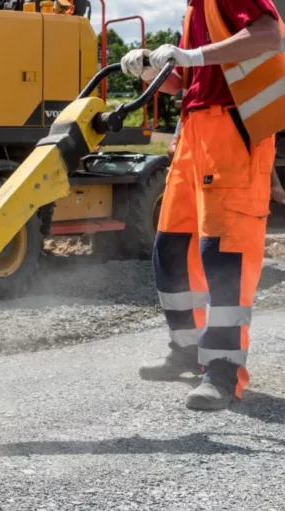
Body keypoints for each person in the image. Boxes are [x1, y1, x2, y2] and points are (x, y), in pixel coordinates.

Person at [120, 0, 285, 410]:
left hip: (232, 127)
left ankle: (224, 370)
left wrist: (193, 54)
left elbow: (269, 34)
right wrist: (149, 69)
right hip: (194, 132)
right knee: (171, 248)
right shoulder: (196, 9)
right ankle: (186, 351)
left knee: (223, 254)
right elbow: (188, 81)